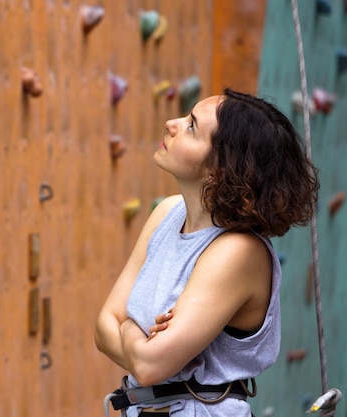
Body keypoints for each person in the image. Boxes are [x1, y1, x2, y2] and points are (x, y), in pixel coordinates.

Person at [95, 89, 319, 417]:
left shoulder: (238, 250)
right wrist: (139, 338)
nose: (171, 123)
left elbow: (148, 364)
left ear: (220, 169)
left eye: (191, 127)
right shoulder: (167, 213)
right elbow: (102, 328)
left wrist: (129, 325)